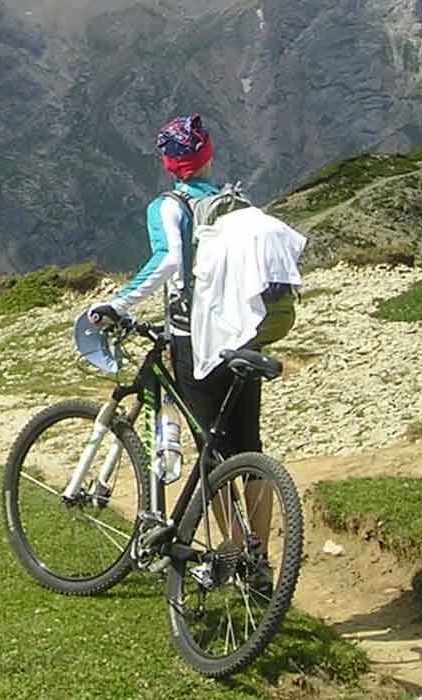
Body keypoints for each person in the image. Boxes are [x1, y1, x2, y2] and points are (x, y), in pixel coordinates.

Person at [89, 114, 274, 593]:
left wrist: (119, 302)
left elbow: (169, 259)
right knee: (249, 447)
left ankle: (230, 553)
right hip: (243, 335)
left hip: (194, 341)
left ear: (169, 163)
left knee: (209, 448)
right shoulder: (235, 203)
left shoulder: (167, 206)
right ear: (208, 155)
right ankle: (261, 558)